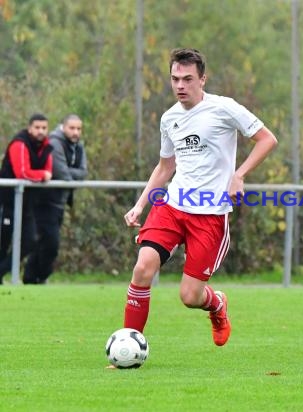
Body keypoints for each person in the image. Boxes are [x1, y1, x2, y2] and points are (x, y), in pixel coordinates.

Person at [119, 48, 277, 352]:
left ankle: (216, 304)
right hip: (172, 205)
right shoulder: (169, 118)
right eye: (175, 79)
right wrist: (140, 204)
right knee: (142, 268)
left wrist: (239, 174)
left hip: (210, 214)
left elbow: (267, 139)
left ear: (202, 79)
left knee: (190, 296)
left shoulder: (224, 108)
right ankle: (128, 347)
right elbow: (166, 166)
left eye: (188, 79)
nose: (180, 85)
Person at [24, 114, 88, 284]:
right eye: (72, 128)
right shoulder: (54, 142)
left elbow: (83, 173)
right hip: (44, 202)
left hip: (60, 202)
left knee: (45, 243)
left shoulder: (78, 146)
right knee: (50, 244)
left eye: (78, 129)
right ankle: (34, 277)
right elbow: (62, 174)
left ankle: (32, 279)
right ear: (63, 127)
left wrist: (71, 174)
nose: (75, 132)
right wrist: (71, 175)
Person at [0, 113, 53, 284]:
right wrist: (42, 175)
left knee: (30, 241)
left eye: (44, 128)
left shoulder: (47, 146)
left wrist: (44, 174)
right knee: (3, 242)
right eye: (37, 127)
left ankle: (1, 271)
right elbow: (22, 172)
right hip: (7, 201)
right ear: (30, 128)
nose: (40, 131)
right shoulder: (19, 143)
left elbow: (49, 171)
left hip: (27, 204)